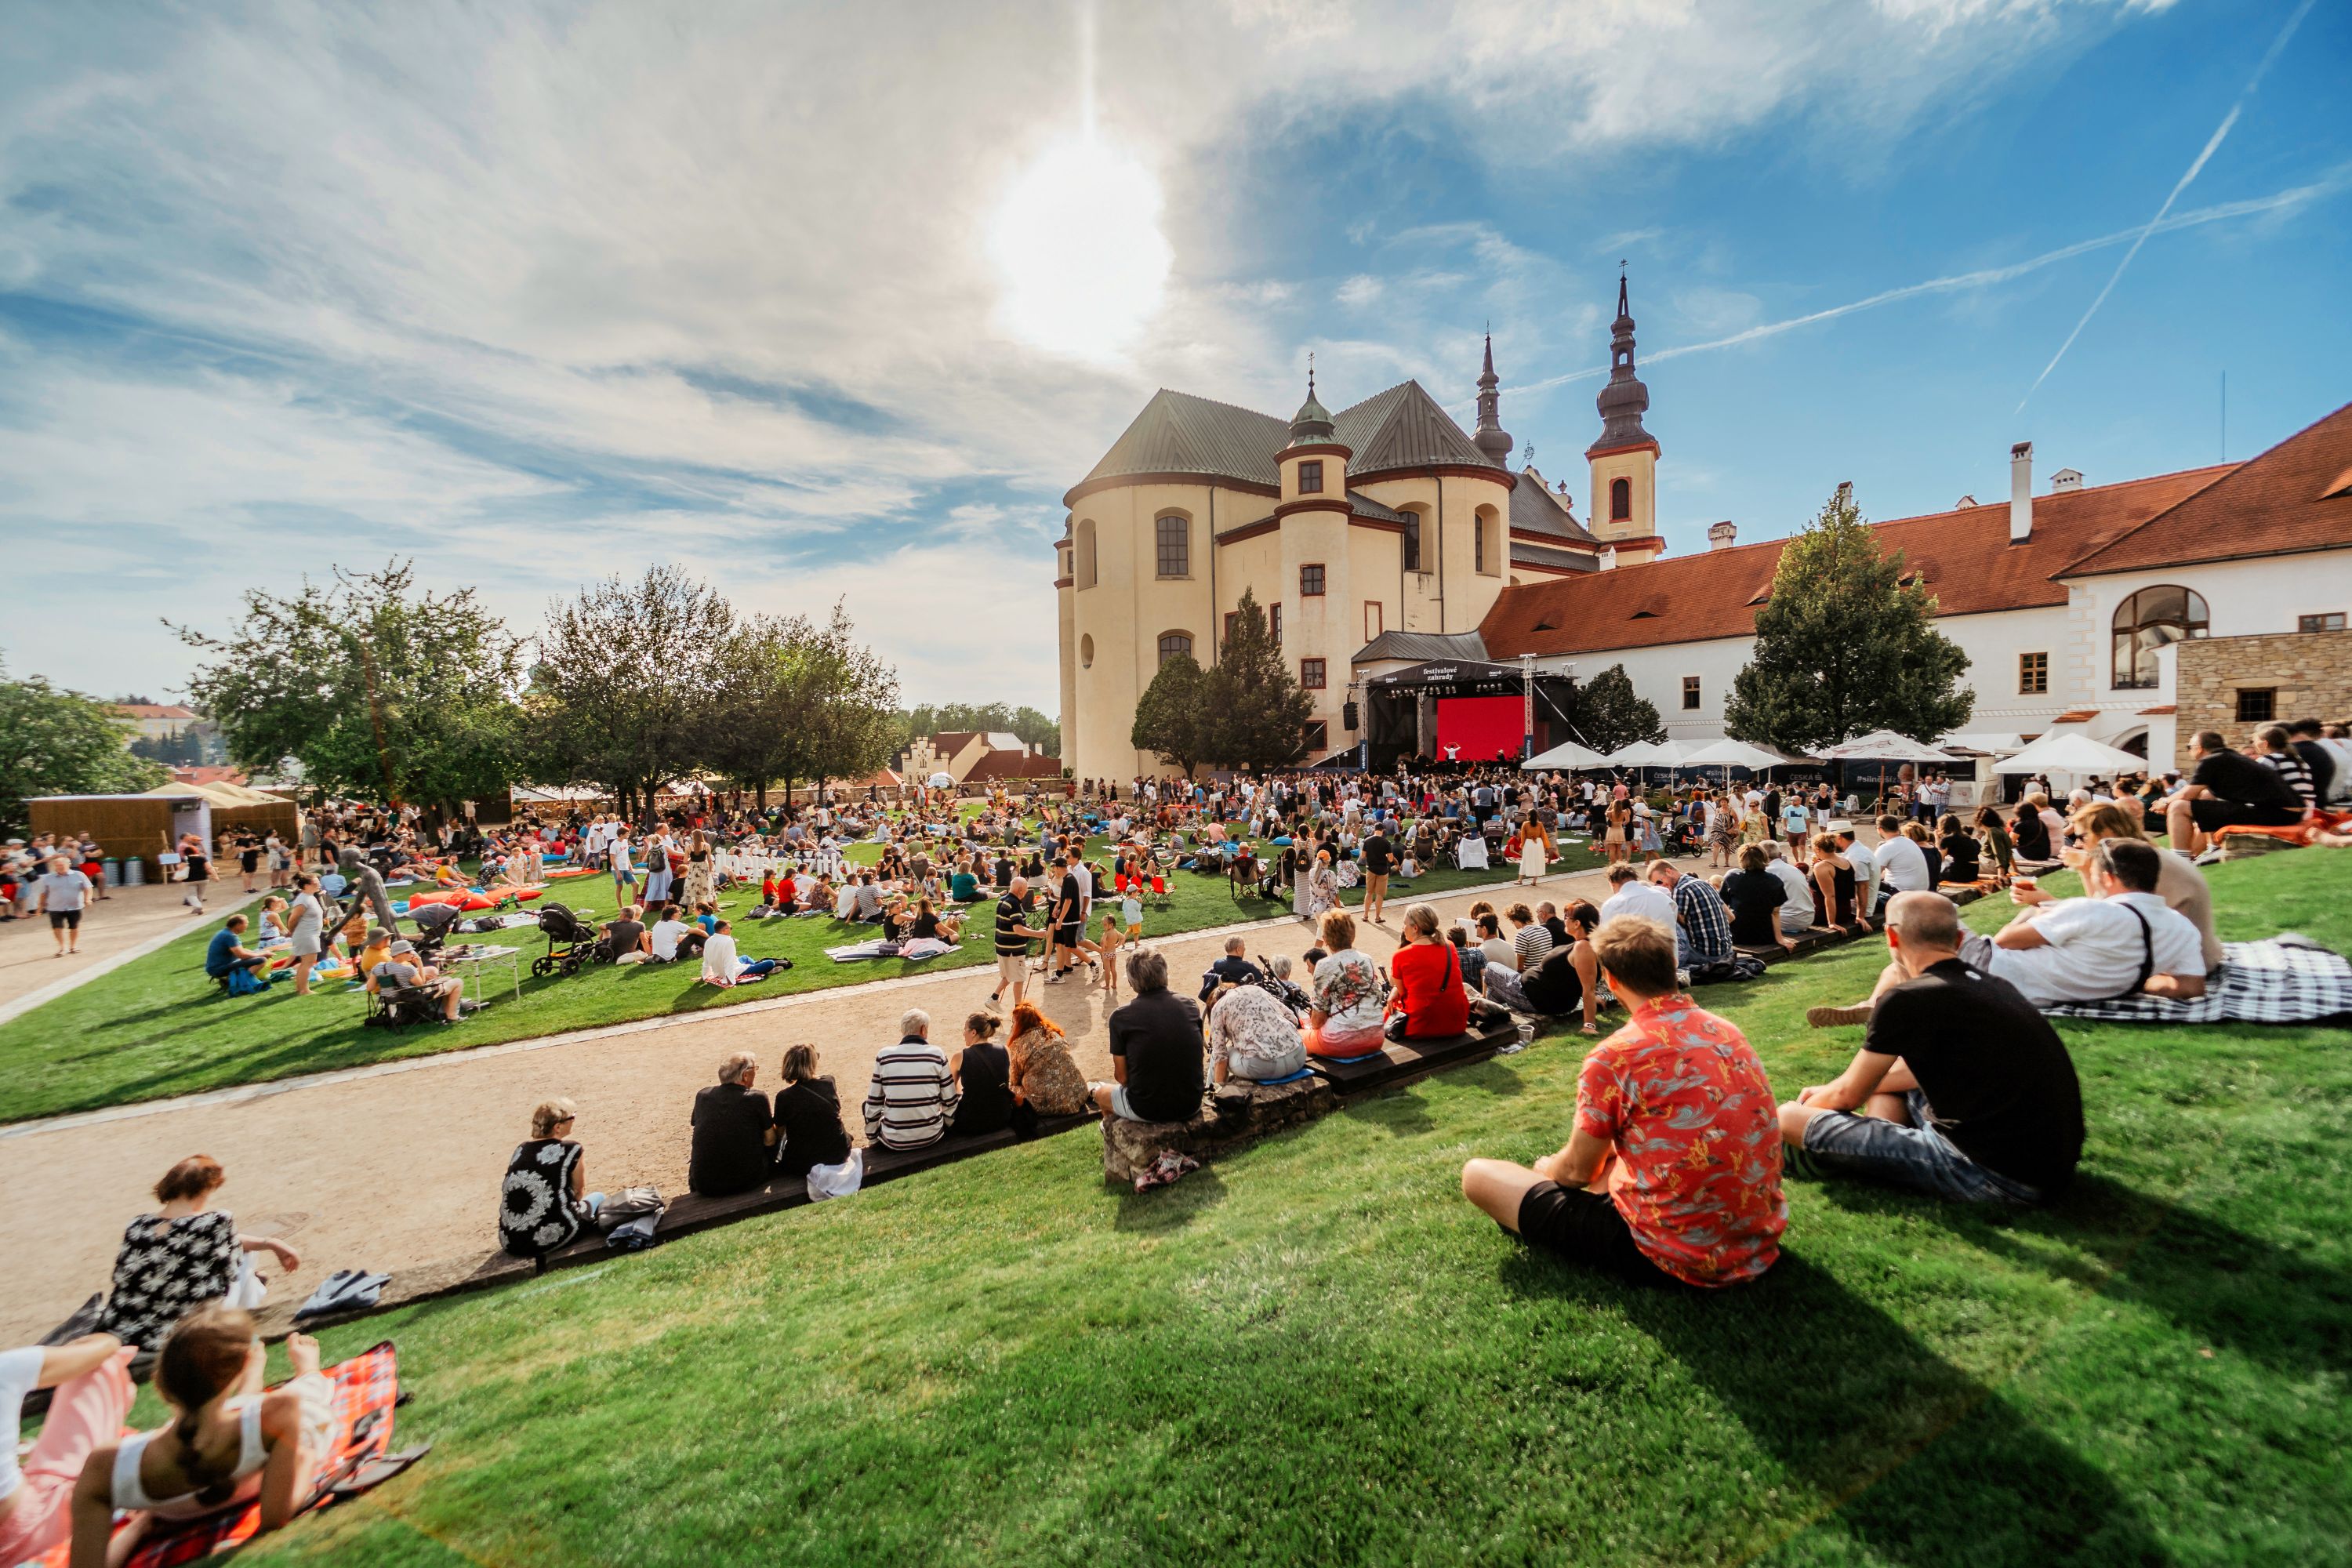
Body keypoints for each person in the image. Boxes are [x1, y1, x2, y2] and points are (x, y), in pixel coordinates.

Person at [1459, 916, 1785, 1287]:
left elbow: (1575, 1172)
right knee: (1610, 1157)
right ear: (1672, 965)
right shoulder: (1724, 1029)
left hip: (1673, 1252)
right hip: (1756, 1236)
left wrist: (1546, 1168)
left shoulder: (1616, 1055)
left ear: (1610, 979)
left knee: (1478, 1175)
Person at [1780, 892, 2083, 1203]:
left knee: (1787, 1116)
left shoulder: (1908, 998)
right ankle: (1866, 1149)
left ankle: (1845, 1153)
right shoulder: (1994, 985)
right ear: (1959, 938)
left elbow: (1848, 1095)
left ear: (1892, 935)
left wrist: (1815, 1102)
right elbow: (1895, 1077)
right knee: (1888, 1085)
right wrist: (1836, 1091)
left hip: (1989, 1173)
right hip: (2049, 1169)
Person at [1810, 837, 2205, 1020]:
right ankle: (1876, 1002)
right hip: (2036, 991)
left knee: (1907, 906)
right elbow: (2188, 987)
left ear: (2108, 878)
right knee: (1911, 952)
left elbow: (2006, 941)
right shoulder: (2180, 927)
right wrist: (2134, 978)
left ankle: (1883, 1008)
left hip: (1996, 972)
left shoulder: (2094, 912)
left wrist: (2035, 915)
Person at [68, 1308, 331, 1568]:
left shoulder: (105, 1466)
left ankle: (252, 1380)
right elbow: (275, 1519)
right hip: (257, 1442)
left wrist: (139, 1527)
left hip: (172, 1503)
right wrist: (305, 1459)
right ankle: (305, 1368)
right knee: (305, 1391)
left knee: (226, 1413)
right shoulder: (281, 1410)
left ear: (161, 1382)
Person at [97, 1156, 301, 1349]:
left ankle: (255, 1285)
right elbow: (230, 1255)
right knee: (244, 1256)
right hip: (188, 1327)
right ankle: (246, 1310)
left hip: (129, 1326)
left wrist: (271, 1243)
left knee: (226, 1249)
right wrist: (274, 1244)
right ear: (205, 1189)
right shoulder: (216, 1220)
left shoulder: (137, 1224)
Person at [0, 1330, 134, 1564]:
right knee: (100, 1367)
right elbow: (107, 1345)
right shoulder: (6, 1368)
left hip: (23, 1521)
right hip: (29, 1533)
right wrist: (88, 1343)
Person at [1089, 949, 1205, 1123]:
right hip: (1192, 1102)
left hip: (1147, 1109)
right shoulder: (1189, 1005)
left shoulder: (1121, 1017)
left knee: (1099, 1092)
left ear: (1131, 981)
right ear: (1165, 973)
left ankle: (1113, 1134)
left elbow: (1122, 1078)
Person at [2164, 729, 2306, 855]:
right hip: (2287, 812)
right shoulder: (2230, 757)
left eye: (2189, 747)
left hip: (2278, 814)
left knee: (2178, 807)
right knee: (2206, 798)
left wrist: (2164, 801)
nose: (2189, 751)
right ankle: (2213, 847)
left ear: (2199, 748)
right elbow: (2204, 795)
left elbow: (2186, 795)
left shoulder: (2210, 761)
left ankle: (2181, 858)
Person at [498, 1100, 604, 1255]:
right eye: (571, 1118)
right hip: (550, 1237)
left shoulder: (521, 1150)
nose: (573, 1120)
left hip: (511, 1242)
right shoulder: (572, 1149)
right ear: (558, 1127)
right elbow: (578, 1191)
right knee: (598, 1197)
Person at [1483, 899, 1602, 1033]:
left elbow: (1588, 987)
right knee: (1493, 991)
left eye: (1566, 917)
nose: (1564, 921)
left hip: (1530, 996)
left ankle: (1488, 1015)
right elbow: (1576, 978)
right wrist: (1592, 996)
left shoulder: (1582, 947)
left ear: (1577, 923)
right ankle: (1492, 1015)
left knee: (1491, 967)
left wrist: (1589, 1025)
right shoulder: (1586, 945)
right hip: (1538, 995)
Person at [864, 1008, 960, 1151]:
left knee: (867, 1104)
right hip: (932, 1135)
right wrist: (945, 1125)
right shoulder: (936, 1054)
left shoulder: (884, 1056)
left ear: (902, 1030)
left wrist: (873, 1138)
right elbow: (950, 1101)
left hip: (894, 1139)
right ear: (924, 1030)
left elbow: (873, 1104)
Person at [688, 1052, 778, 1197]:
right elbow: (771, 1139)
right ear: (746, 1075)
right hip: (747, 1180)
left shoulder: (703, 1096)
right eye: (755, 1068)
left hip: (704, 1183)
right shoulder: (757, 1098)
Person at [1305, 910, 1386, 1058]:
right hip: (1376, 1037)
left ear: (1325, 940)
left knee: (1301, 1037)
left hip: (1342, 1040)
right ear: (1352, 936)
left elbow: (1318, 1019)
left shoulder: (1324, 965)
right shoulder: (1366, 959)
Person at [1388, 902, 1472, 1040]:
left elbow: (1404, 994)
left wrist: (1395, 991)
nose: (1403, 929)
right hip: (1456, 1020)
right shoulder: (1449, 946)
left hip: (1422, 1024)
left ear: (1415, 928)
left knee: (1388, 1013)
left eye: (1404, 924)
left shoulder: (1401, 955)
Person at [771, 1044, 855, 1180]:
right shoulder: (829, 1082)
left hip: (802, 1164)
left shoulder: (784, 1097)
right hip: (838, 1153)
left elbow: (779, 1133)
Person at [1206, 978, 1310, 1085]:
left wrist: (1218, 1086)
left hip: (1264, 1067)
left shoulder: (1218, 1008)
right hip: (1298, 1057)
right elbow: (1292, 1019)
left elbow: (1220, 1057)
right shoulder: (1257, 989)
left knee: (1216, 1054)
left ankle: (1212, 1093)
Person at [1005, 1002, 1089, 1127]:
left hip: (1047, 1103)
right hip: (1077, 1095)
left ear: (1020, 1024)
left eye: (1013, 1023)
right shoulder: (1054, 1034)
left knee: (1009, 1090)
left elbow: (1015, 1080)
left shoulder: (1019, 1043)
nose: (1012, 1027)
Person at [1649, 860, 1733, 971]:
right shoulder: (1704, 884)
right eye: (1657, 885)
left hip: (1704, 955)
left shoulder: (1680, 890)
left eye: (1659, 882)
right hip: (1726, 951)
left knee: (1668, 924)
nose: (1662, 886)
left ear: (1669, 871)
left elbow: (1675, 930)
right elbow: (1730, 917)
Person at [948, 1012, 1017, 1138]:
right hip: (1002, 1117)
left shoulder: (960, 1056)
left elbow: (950, 1089)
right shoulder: (1004, 1050)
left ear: (973, 1032)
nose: (963, 1034)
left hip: (972, 1122)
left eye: (965, 1030)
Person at [1718, 844, 1794, 953]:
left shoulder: (1732, 879)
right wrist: (1780, 938)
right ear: (1764, 857)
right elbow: (1775, 913)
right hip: (1765, 935)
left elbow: (1722, 905)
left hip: (1737, 934)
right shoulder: (1774, 881)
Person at [372, 939, 465, 1022]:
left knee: (447, 979)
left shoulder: (379, 967)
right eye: (408, 952)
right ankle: (452, 1015)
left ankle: (445, 1012)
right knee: (458, 982)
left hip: (393, 998)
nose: (412, 954)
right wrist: (419, 963)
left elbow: (370, 987)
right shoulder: (408, 968)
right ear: (399, 954)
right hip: (413, 998)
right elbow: (422, 984)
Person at [990, 876, 1046, 1008]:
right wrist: (1038, 934)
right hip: (1013, 948)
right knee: (1019, 978)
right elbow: (1018, 929)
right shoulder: (1014, 904)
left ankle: (994, 998)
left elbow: (1010, 923)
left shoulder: (1003, 900)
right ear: (1020, 890)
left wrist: (1026, 927)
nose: (1026, 892)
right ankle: (1018, 1008)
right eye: (1026, 889)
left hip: (1002, 946)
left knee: (1009, 976)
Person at [32, 854, 92, 957]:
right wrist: (40, 907)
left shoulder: (79, 875)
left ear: (68, 864)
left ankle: (73, 946)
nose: (60, 867)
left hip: (75, 906)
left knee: (74, 927)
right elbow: (43, 893)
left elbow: (88, 887)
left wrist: (88, 899)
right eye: (57, 865)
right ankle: (62, 947)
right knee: (57, 927)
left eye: (62, 865)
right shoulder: (48, 878)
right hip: (55, 907)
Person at [1870, 814, 1930, 912]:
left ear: (1880, 829)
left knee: (1863, 883)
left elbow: (1873, 875)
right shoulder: (1910, 842)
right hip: (1921, 891)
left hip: (1900, 894)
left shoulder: (1886, 847)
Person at [1598, 862, 1675, 931]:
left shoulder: (1611, 905)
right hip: (1669, 945)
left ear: (1612, 884)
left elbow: (1605, 938)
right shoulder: (1663, 897)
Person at [282, 873, 325, 995]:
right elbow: (293, 918)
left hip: (309, 934)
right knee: (308, 963)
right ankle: (304, 990)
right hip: (306, 935)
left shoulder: (309, 896)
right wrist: (292, 931)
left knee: (306, 963)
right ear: (306, 886)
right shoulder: (303, 900)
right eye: (316, 883)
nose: (319, 885)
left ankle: (300, 988)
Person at [699, 920, 779, 985]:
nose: (731, 930)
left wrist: (705, 976)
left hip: (718, 971)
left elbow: (706, 961)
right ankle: (761, 968)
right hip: (733, 971)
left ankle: (757, 967)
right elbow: (728, 963)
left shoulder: (709, 940)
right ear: (724, 930)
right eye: (730, 928)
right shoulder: (728, 941)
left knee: (745, 957)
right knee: (770, 963)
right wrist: (730, 982)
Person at [203, 914, 269, 986]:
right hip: (219, 969)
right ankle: (242, 984)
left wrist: (260, 953)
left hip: (215, 968)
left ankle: (233, 981)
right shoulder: (230, 936)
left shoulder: (225, 933)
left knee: (258, 958)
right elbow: (242, 955)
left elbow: (242, 950)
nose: (247, 925)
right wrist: (262, 955)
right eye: (246, 923)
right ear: (238, 925)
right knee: (262, 960)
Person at [1198, 935, 1262, 1003]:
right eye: (1244, 946)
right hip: (1243, 1001)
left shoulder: (1217, 964)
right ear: (1239, 949)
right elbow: (1262, 982)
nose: (1245, 949)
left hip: (1221, 999)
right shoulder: (1248, 967)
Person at [1360, 822, 1394, 924]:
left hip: (1370, 868)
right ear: (1383, 830)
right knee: (1380, 894)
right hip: (1383, 870)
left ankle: (1365, 915)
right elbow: (1391, 859)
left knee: (1369, 892)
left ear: (1374, 830)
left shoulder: (1367, 840)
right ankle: (1377, 917)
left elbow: (1362, 856)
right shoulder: (1386, 842)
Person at [1936, 814, 1982, 886]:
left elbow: (1939, 859)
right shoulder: (1966, 836)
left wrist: (1937, 840)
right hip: (1973, 872)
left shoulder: (1947, 839)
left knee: (1934, 875)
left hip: (1961, 873)